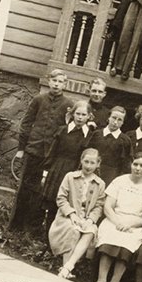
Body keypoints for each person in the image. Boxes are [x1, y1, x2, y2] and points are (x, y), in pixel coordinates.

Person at [10, 68, 71, 230]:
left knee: (42, 191)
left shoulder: (68, 105)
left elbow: (67, 130)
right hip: (33, 151)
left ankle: (31, 228)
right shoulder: (39, 99)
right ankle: (15, 226)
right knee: (25, 187)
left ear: (65, 84)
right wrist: (22, 148)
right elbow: (26, 124)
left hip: (51, 155)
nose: (57, 84)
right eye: (54, 81)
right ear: (49, 81)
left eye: (60, 82)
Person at [93, 151, 142, 282]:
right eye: (135, 164)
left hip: (135, 224)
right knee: (110, 239)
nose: (138, 168)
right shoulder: (120, 181)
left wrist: (131, 224)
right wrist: (117, 222)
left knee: (126, 245)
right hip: (114, 219)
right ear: (131, 164)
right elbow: (108, 206)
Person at [48, 146, 105, 280]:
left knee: (90, 231)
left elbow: (99, 206)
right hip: (67, 216)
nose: (89, 166)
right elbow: (61, 198)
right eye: (86, 162)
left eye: (92, 163)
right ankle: (66, 268)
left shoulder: (100, 183)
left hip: (86, 218)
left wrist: (90, 220)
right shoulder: (70, 177)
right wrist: (72, 214)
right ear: (81, 161)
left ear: (98, 164)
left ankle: (68, 267)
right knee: (73, 230)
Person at [40, 98, 96, 230]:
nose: (80, 118)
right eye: (78, 114)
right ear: (72, 114)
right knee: (53, 204)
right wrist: (45, 173)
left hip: (76, 172)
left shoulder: (90, 135)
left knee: (70, 205)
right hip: (58, 169)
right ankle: (48, 238)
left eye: (84, 115)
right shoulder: (62, 130)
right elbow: (52, 153)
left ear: (89, 117)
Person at [90, 104, 127, 180]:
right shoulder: (97, 134)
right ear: (108, 118)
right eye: (114, 118)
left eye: (119, 120)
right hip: (91, 170)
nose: (115, 122)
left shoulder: (125, 140)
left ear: (123, 122)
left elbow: (125, 164)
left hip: (111, 176)